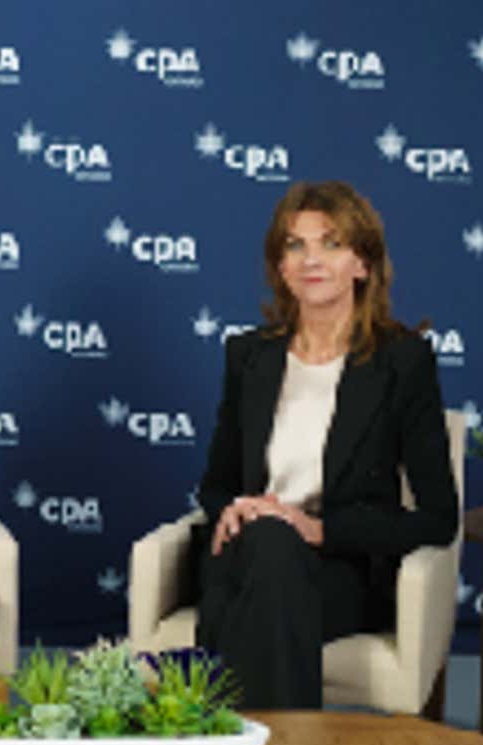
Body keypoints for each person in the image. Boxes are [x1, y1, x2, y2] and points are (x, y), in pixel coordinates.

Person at [189, 180, 458, 710]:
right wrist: (233, 510)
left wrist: (317, 527)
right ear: (281, 267)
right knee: (265, 544)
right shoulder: (249, 356)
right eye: (295, 245)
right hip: (244, 552)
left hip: (341, 568)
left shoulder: (402, 363)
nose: (311, 259)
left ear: (362, 264)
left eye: (330, 244)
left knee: (268, 570)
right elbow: (217, 484)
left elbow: (438, 517)